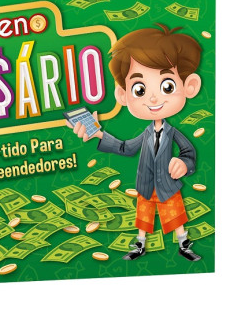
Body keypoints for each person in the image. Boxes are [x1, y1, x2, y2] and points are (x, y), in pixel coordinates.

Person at [67, 24, 203, 261]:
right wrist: (99, 135)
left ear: (189, 86)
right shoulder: (146, 134)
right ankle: (140, 245)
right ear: (123, 95)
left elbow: (189, 152)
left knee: (175, 216)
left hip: (168, 186)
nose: (153, 98)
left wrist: (184, 164)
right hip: (145, 185)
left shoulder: (173, 132)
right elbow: (126, 148)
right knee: (143, 218)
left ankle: (184, 244)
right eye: (140, 89)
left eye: (167, 86)